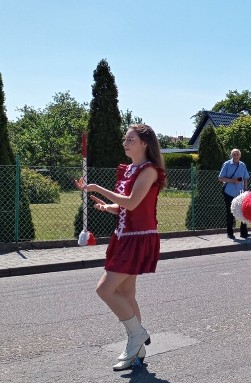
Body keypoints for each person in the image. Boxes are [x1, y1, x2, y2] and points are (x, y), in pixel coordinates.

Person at [75, 124, 166, 371]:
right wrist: (107, 207)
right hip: (123, 236)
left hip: (138, 238)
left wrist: (98, 189)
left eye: (131, 139)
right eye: (125, 139)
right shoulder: (130, 170)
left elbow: (134, 203)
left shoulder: (149, 171)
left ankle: (137, 334)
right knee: (126, 295)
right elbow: (125, 206)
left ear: (145, 143)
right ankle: (138, 345)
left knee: (104, 289)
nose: (125, 143)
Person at [218, 149, 250, 240]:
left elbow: (246, 178)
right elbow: (220, 178)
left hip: (240, 193)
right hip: (229, 192)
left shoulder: (242, 165)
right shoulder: (227, 164)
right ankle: (230, 233)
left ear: (240, 156)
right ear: (231, 155)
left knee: (243, 212)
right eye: (234, 154)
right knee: (230, 213)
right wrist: (233, 180)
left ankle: (244, 233)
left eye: (237, 154)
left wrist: (245, 189)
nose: (235, 155)